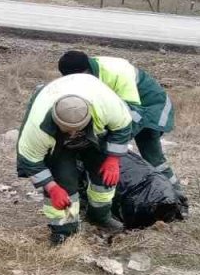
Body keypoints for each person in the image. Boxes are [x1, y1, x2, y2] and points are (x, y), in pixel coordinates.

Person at [16, 72, 134, 244]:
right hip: (58, 144)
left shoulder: (107, 106)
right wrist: (52, 187)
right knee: (63, 180)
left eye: (76, 129)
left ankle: (100, 216)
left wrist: (113, 159)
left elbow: (123, 127)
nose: (72, 133)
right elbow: (30, 161)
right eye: (67, 130)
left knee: (104, 177)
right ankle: (63, 230)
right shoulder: (38, 128)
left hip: (94, 135)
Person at [57, 50, 182, 197]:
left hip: (150, 106)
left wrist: (111, 150)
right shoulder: (83, 72)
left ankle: (176, 195)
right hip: (130, 108)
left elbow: (130, 115)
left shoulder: (117, 72)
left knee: (152, 156)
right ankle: (87, 188)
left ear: (86, 72)